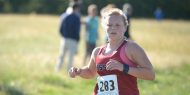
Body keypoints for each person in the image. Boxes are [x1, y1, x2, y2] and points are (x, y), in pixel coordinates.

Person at [68, 8, 155, 95]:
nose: (113, 28)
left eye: (117, 25)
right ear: (104, 27)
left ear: (125, 27)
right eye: (109, 25)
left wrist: (123, 68)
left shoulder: (131, 48)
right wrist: (79, 71)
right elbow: (90, 72)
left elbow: (150, 74)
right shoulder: (97, 51)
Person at [55, 3, 81, 72]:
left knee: (61, 55)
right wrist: (77, 39)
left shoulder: (65, 16)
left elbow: (60, 29)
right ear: (76, 9)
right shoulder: (77, 18)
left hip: (64, 39)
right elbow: (77, 30)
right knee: (70, 57)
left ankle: (57, 69)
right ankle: (69, 72)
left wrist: (63, 36)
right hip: (72, 40)